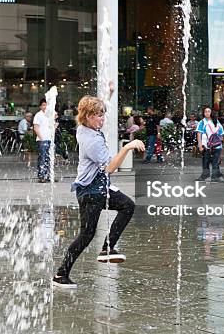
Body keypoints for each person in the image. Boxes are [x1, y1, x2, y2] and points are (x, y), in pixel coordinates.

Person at [52, 95, 145, 288]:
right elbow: (110, 167)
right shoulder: (91, 140)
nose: (101, 120)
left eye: (102, 115)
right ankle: (66, 271)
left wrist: (109, 94)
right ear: (86, 116)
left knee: (92, 230)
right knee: (88, 233)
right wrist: (127, 146)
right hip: (91, 191)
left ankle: (100, 252)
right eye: (97, 116)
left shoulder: (85, 128)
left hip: (97, 188)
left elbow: (94, 108)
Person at [196, 106, 224, 182]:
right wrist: (200, 145)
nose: (207, 113)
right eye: (205, 111)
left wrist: (218, 142)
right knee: (205, 161)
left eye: (209, 111)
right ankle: (205, 175)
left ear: (211, 112)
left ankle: (214, 176)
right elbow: (199, 134)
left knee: (215, 161)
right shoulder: (202, 122)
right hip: (206, 146)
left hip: (216, 146)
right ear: (203, 113)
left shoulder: (216, 121)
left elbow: (221, 133)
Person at [33, 98, 53, 182]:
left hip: (49, 139)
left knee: (49, 158)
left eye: (47, 105)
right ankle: (41, 176)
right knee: (42, 158)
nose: (45, 107)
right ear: (40, 106)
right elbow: (36, 128)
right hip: (42, 139)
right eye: (43, 105)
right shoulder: (38, 115)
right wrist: (41, 138)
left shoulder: (50, 115)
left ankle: (48, 175)